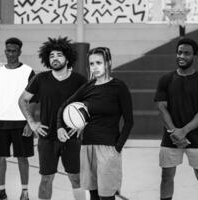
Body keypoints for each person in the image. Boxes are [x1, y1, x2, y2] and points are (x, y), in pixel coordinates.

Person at [56, 47, 134, 200]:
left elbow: (129, 121)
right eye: (91, 64)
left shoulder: (118, 87)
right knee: (93, 195)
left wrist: (117, 148)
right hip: (87, 147)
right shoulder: (88, 87)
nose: (95, 67)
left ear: (108, 63)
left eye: (99, 62)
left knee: (106, 196)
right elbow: (64, 105)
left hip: (109, 148)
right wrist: (60, 127)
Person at [18, 37, 87, 200]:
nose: (55, 58)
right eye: (51, 56)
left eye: (59, 55)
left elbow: (90, 105)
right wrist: (32, 123)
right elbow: (22, 100)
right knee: (46, 178)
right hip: (47, 137)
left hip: (71, 137)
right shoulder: (41, 79)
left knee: (76, 178)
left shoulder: (79, 80)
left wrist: (82, 125)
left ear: (67, 58)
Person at [154, 38, 198, 200]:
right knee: (166, 176)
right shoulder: (166, 79)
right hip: (170, 137)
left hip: (197, 137)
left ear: (194, 55)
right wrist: (174, 131)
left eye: (187, 53)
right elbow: (161, 107)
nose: (182, 56)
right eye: (179, 52)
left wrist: (184, 131)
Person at [0, 37, 35, 200]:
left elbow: (34, 100)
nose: (11, 54)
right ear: (5, 51)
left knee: (23, 158)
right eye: (8, 50)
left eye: (14, 51)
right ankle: (1, 191)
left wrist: (30, 122)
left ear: (20, 52)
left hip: (21, 123)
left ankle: (25, 192)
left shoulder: (28, 71)